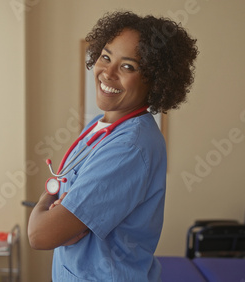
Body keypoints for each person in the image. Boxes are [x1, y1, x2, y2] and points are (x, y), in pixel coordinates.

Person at [28, 10, 198, 281]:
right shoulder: (100, 125)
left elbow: (40, 235)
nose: (107, 72)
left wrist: (42, 206)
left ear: (154, 79)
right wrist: (58, 216)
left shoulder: (132, 146)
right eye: (105, 57)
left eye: (127, 66)